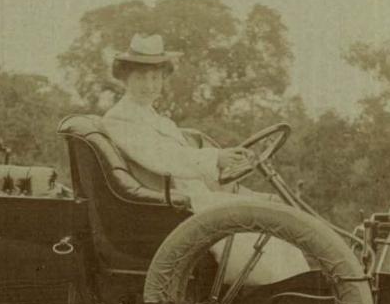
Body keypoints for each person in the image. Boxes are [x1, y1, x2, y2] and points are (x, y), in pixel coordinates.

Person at [102, 34, 308, 286]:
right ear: (125, 79)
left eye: (155, 77)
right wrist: (216, 158)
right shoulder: (120, 119)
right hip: (169, 206)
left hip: (188, 198)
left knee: (274, 213)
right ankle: (280, 294)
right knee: (264, 227)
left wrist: (227, 164)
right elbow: (162, 158)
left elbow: (184, 157)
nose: (149, 85)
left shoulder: (156, 118)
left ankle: (293, 293)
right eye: (141, 77)